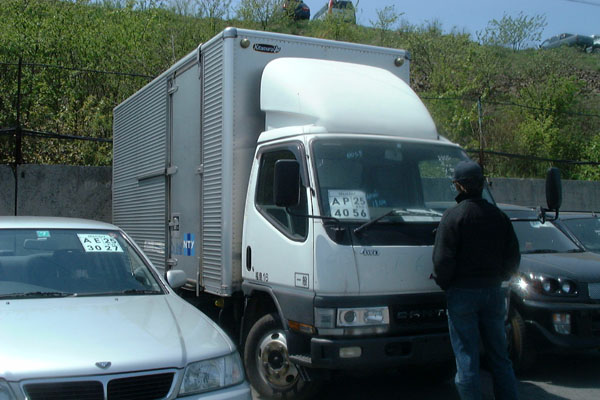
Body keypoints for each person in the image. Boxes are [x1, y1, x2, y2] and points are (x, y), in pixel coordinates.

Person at [432, 160, 520, 400]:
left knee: (467, 359)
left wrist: (445, 283)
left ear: (459, 187)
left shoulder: (453, 217)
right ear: (482, 184)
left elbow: (442, 261)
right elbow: (513, 256)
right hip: (493, 291)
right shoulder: (498, 216)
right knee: (500, 357)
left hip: (461, 293)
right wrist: (499, 277)